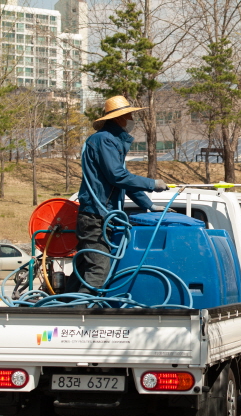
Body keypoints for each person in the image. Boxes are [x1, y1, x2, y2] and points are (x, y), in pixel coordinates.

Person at [72, 95, 169, 293]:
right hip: (96, 216)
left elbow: (121, 180)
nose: (132, 118)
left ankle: (63, 306)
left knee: (84, 269)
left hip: (99, 215)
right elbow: (117, 176)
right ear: (119, 118)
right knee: (99, 270)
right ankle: (78, 314)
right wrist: (152, 183)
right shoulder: (104, 140)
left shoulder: (112, 140)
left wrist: (148, 204)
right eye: (130, 115)